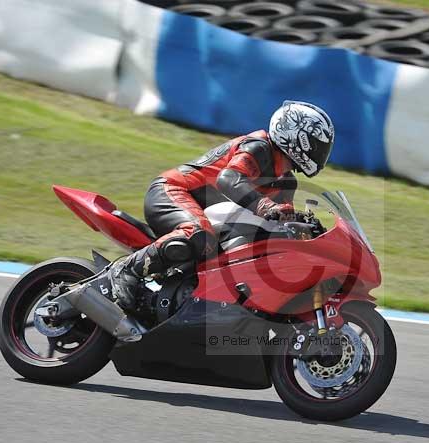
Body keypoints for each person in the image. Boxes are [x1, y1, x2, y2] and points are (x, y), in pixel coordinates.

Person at [105, 100, 335, 311]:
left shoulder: (287, 182)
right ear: (296, 135)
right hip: (174, 191)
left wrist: (308, 231)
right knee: (198, 235)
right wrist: (266, 207)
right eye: (317, 144)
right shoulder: (258, 146)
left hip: (206, 212)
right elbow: (229, 179)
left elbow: (278, 225)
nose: (320, 152)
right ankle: (126, 269)